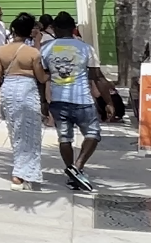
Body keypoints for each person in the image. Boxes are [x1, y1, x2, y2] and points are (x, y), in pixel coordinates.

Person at [40, 13, 107, 191]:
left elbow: (43, 78)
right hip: (82, 100)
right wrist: (107, 100)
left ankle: (72, 171)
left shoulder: (46, 49)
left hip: (58, 100)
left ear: (54, 28)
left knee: (64, 138)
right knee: (93, 134)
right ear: (73, 28)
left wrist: (43, 102)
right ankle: (77, 167)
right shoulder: (86, 48)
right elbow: (96, 76)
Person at [0, 14, 50, 190]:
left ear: (13, 30)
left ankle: (19, 172)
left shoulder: (1, 51)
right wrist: (51, 75)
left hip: (8, 90)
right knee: (30, 133)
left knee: (15, 132)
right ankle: (23, 173)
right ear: (30, 31)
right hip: (27, 90)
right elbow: (41, 77)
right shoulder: (33, 53)